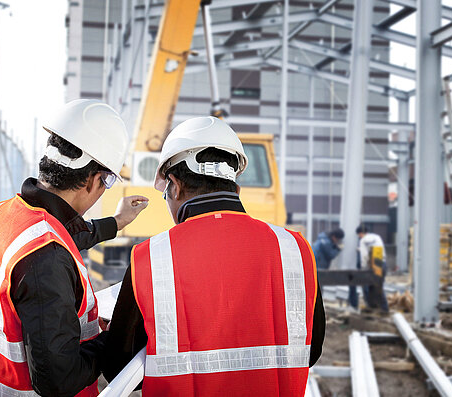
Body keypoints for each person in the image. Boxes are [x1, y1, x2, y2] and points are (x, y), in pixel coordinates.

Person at [103, 116, 325, 396]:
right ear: (237, 187)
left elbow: (117, 366)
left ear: (175, 185)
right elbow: (310, 349)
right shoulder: (296, 249)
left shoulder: (149, 258)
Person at [0, 99, 148, 396]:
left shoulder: (5, 213)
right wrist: (109, 340)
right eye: (107, 182)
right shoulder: (45, 258)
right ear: (94, 180)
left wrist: (116, 222)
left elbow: (62, 236)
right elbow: (57, 380)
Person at [348, 226, 389, 313]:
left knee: (367, 286)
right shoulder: (377, 237)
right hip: (381, 262)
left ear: (360, 233)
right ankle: (384, 308)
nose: (359, 237)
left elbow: (364, 256)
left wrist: (363, 269)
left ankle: (371, 307)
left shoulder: (363, 241)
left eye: (358, 235)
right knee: (378, 286)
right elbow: (376, 248)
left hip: (371, 266)